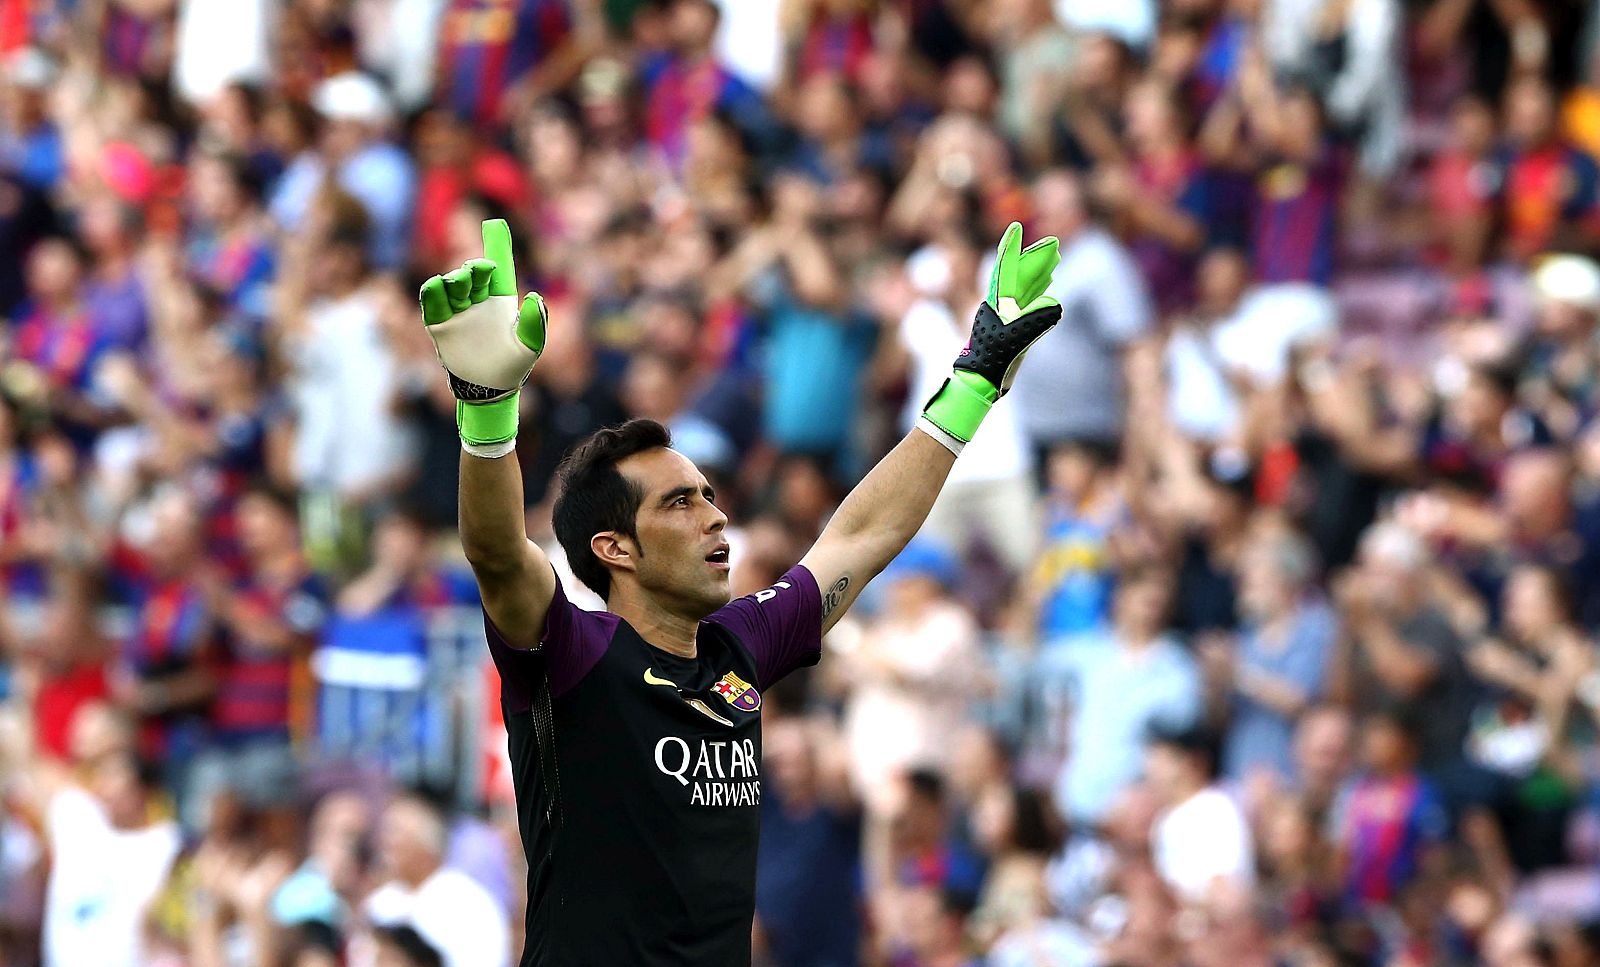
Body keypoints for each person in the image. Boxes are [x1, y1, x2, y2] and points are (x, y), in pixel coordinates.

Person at [413, 218, 1064, 964]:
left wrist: (973, 382)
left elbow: (860, 536)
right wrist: (488, 413)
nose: (716, 515)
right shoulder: (569, 653)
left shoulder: (740, 647)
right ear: (613, 548)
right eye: (679, 503)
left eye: (709, 494)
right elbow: (498, 554)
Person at [365, 792, 509, 967]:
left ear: (426, 846)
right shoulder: (380, 901)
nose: (387, 844)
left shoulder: (468, 901)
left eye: (397, 833)